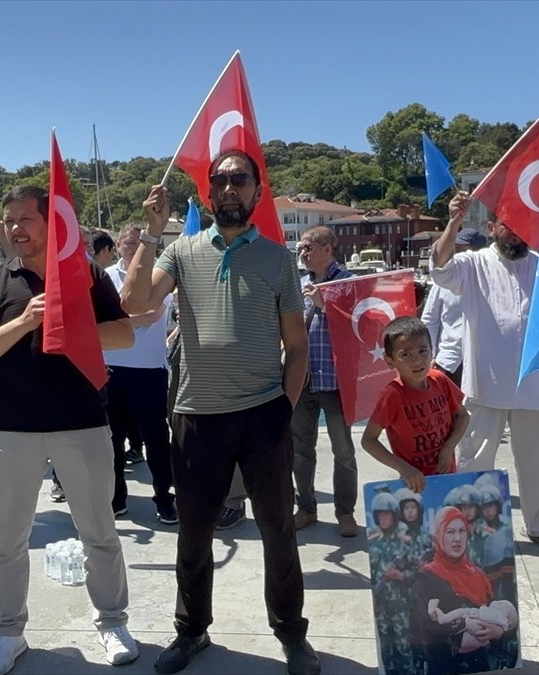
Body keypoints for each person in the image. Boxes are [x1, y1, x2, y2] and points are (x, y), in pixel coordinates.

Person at [123, 151, 319, 675]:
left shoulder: (278, 259)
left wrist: (285, 406)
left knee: (278, 531)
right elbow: (132, 302)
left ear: (258, 191)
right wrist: (151, 232)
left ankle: (292, 634)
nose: (229, 189)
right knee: (193, 533)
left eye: (239, 180)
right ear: (208, 194)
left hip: (263, 415)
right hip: (195, 414)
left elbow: (296, 346)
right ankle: (191, 631)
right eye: (220, 182)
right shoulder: (181, 251)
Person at [0, 185, 138, 675]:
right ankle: (7, 632)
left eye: (26, 219)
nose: (16, 227)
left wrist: (70, 323)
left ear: (50, 222)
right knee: (7, 540)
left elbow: (123, 334)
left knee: (99, 533)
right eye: (9, 219)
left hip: (82, 422)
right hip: (11, 427)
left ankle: (111, 621)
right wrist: (23, 322)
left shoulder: (87, 274)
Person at [429, 192, 539, 550]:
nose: (515, 234)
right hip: (484, 384)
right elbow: (440, 268)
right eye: (507, 226)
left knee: (535, 463)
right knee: (475, 460)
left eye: (521, 227)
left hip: (535, 382)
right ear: (491, 227)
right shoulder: (472, 264)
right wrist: (454, 222)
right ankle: (466, 528)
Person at [104, 225, 176, 523]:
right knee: (112, 441)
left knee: (157, 439)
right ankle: (116, 499)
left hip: (148, 371)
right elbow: (132, 318)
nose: (133, 248)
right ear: (118, 246)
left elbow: (154, 315)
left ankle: (164, 498)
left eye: (139, 243)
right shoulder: (105, 277)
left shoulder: (159, 277)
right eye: (128, 243)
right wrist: (129, 320)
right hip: (110, 369)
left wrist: (119, 322)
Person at [291, 225, 360, 537]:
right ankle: (305, 506)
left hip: (335, 381)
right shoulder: (299, 283)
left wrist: (326, 306)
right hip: (302, 379)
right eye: (303, 247)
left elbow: (362, 325)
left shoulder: (349, 283)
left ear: (328, 249)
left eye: (309, 247)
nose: (303, 252)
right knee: (300, 448)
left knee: (343, 449)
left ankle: (345, 511)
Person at [360, 317, 470, 493]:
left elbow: (463, 416)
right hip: (414, 486)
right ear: (390, 362)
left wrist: (449, 448)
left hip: (448, 477)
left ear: (432, 351)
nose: (417, 360)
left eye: (422, 351)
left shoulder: (440, 380)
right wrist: (404, 469)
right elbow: (368, 440)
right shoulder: (392, 395)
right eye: (406, 354)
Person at [411, 506, 517, 675]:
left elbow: (496, 616)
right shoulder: (426, 577)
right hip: (444, 667)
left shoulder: (478, 575)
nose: (457, 538)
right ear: (438, 536)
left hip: (480, 666)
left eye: (462, 531)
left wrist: (498, 632)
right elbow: (423, 630)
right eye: (450, 532)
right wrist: (463, 624)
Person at [420, 228, 487, 387]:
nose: (455, 254)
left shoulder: (490, 280)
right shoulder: (442, 282)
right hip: (448, 361)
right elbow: (430, 319)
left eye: (460, 249)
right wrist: (431, 354)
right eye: (454, 249)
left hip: (482, 362)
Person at [367, 491, 415, 675]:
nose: (384, 518)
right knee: (386, 649)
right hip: (381, 604)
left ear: (394, 516)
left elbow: (418, 571)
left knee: (405, 648)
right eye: (381, 515)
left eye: (387, 514)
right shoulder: (372, 539)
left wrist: (400, 575)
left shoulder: (404, 540)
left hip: (401, 605)